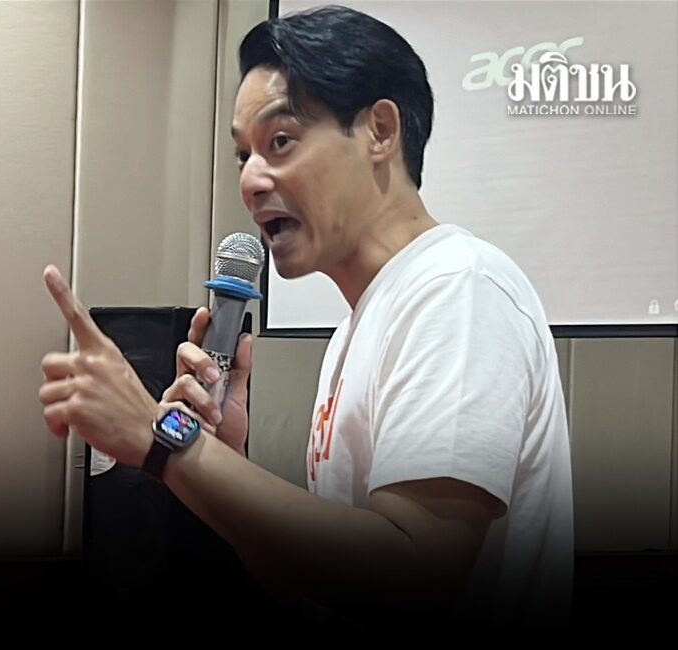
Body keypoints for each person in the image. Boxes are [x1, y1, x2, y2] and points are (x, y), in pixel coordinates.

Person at [38, 5, 572, 633]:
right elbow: (319, 588)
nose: (250, 180)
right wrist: (222, 457)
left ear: (379, 131)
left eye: (280, 142)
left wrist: (166, 445)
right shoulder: (356, 329)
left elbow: (414, 575)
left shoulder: (458, 286)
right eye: (243, 155)